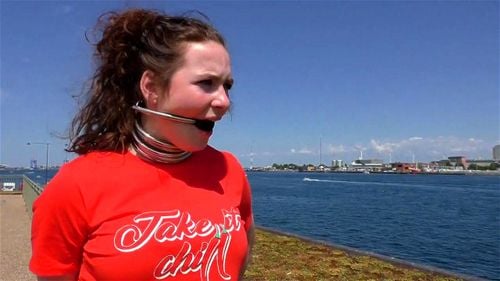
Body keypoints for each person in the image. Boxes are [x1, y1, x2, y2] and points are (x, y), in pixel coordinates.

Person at [30, 8, 254, 281]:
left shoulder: (229, 170)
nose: (224, 102)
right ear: (151, 88)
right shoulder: (76, 185)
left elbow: (238, 258)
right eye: (206, 83)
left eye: (226, 85)